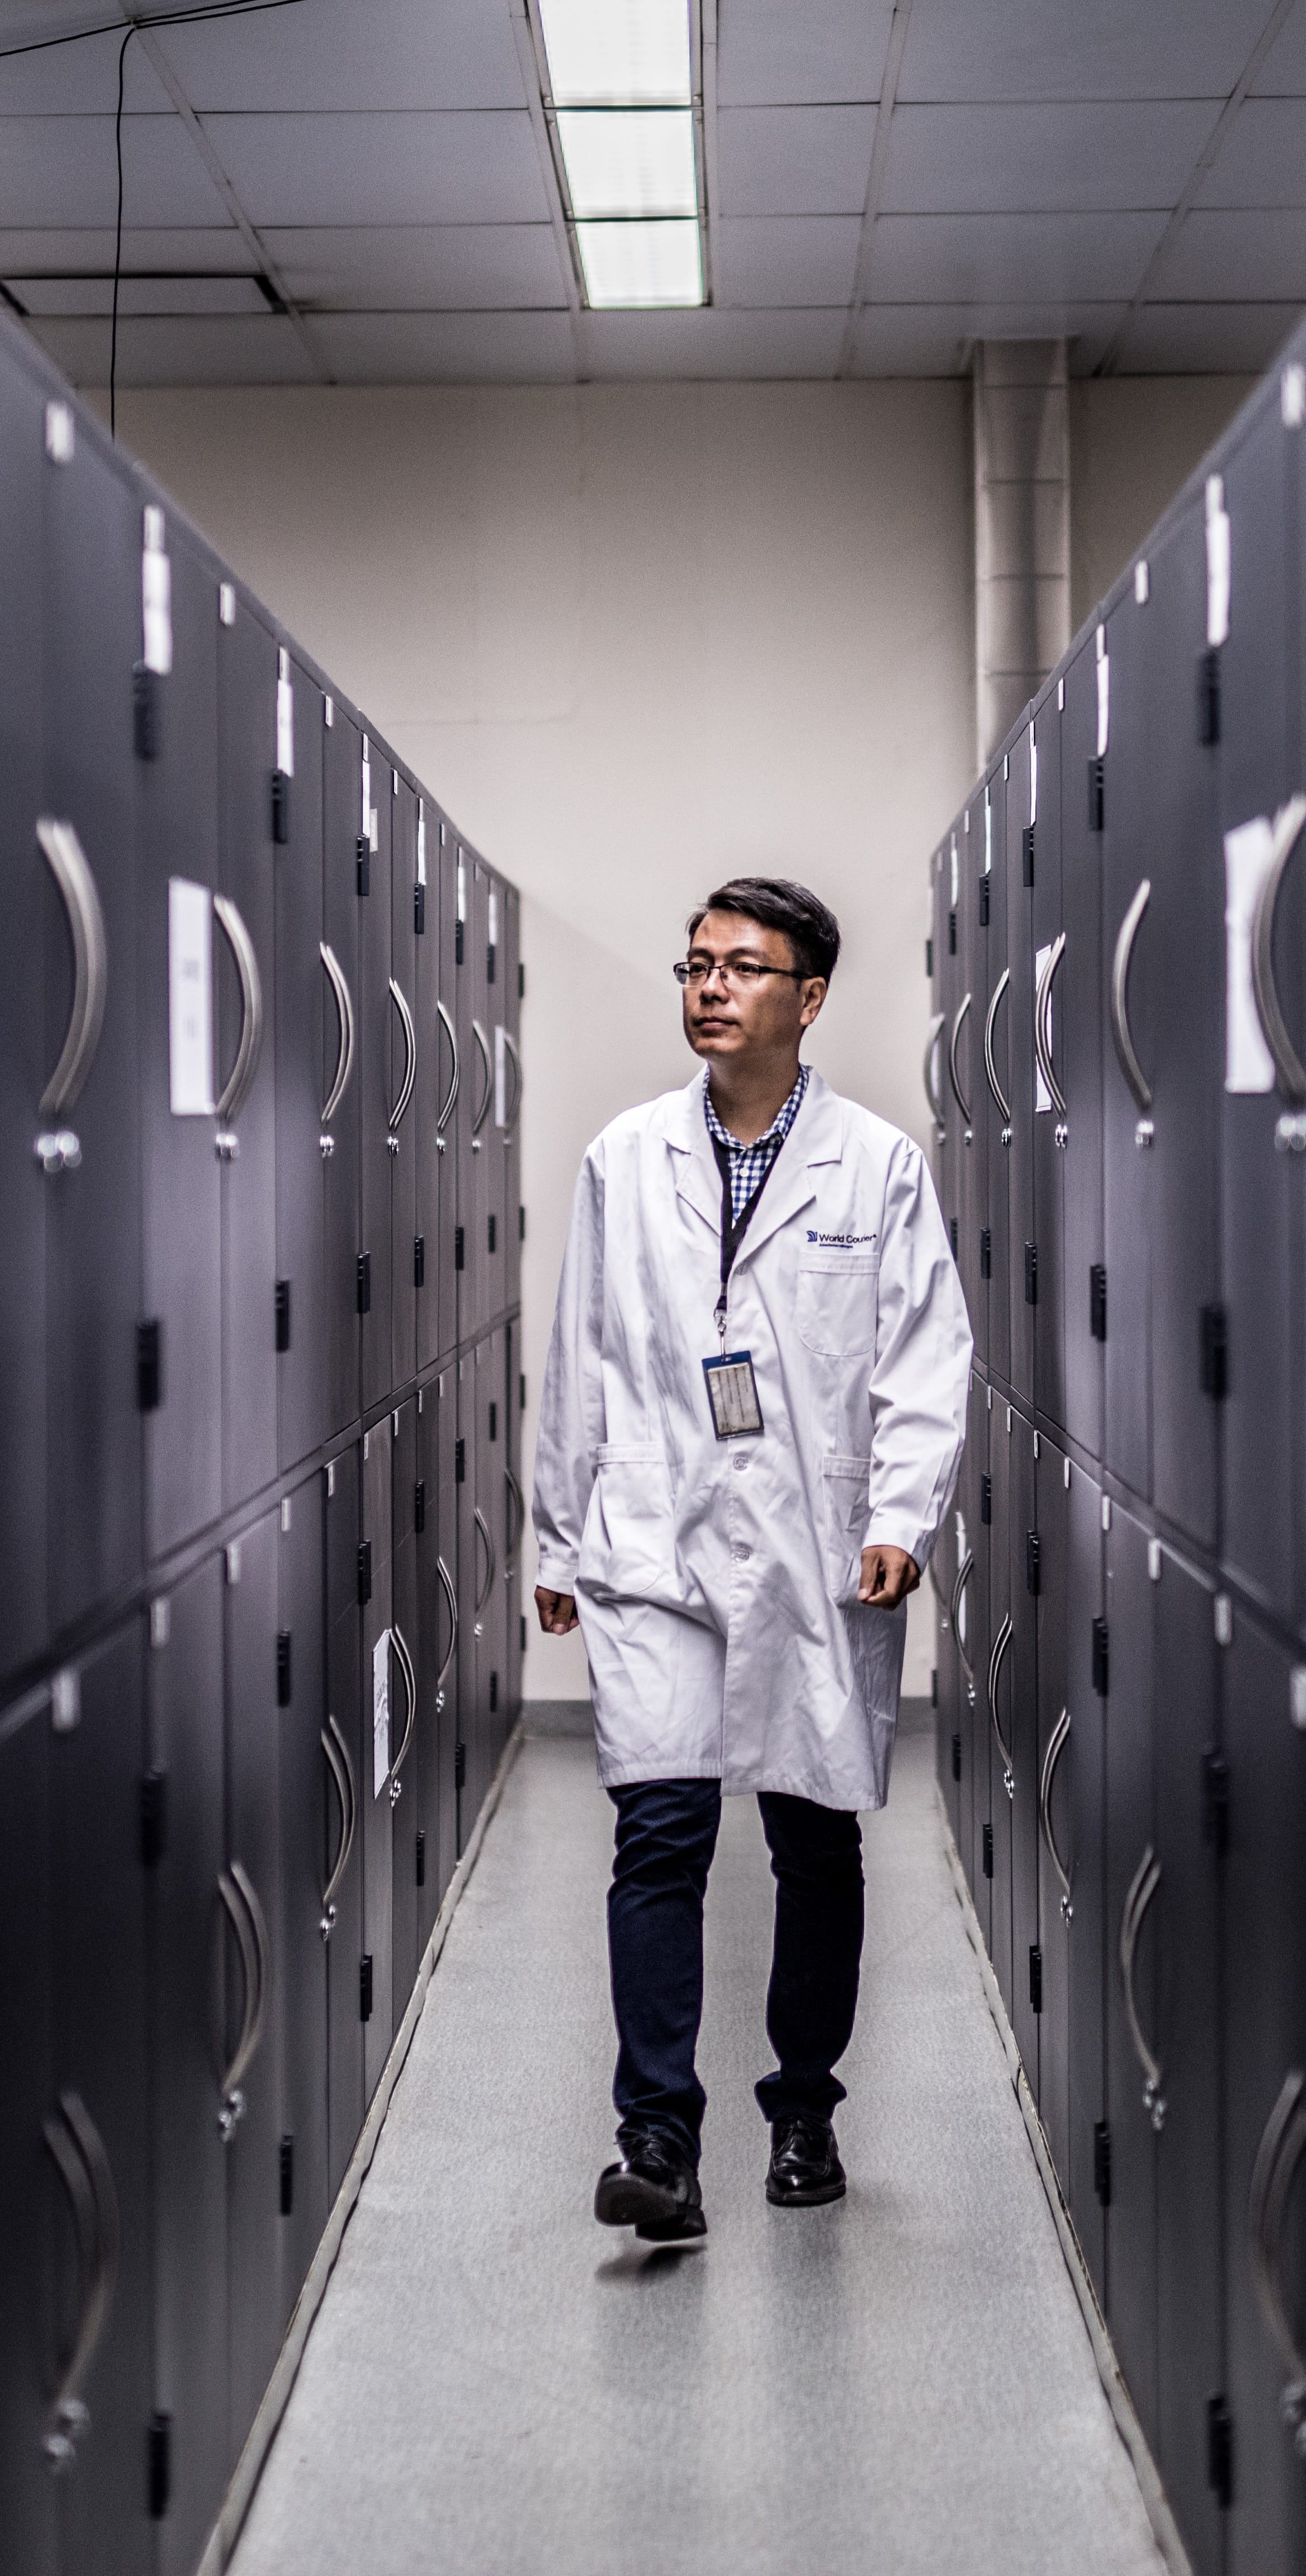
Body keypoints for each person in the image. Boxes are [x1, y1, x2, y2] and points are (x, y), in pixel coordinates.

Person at [529, 876, 973, 2244]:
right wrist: (557, 1530)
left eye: (740, 966)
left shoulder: (877, 1167)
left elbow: (922, 1360)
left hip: (808, 1544)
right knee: (655, 1832)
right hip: (653, 1535)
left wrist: (899, 1518)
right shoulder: (624, 1157)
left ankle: (802, 2108)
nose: (709, 987)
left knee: (809, 1837)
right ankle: (656, 2135)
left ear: (809, 995)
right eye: (695, 964)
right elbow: (581, 1356)